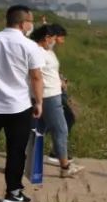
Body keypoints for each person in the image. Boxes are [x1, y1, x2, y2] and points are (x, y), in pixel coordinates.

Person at [0, 5, 45, 202]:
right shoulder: (29, 46)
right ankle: (13, 193)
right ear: (22, 23)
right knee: (16, 151)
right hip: (18, 107)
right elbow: (36, 77)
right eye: (31, 21)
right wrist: (39, 102)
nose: (32, 25)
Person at [29, 25, 82, 178]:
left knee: (39, 130)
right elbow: (36, 76)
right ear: (46, 38)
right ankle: (65, 167)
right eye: (53, 38)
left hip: (54, 93)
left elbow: (51, 71)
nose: (54, 41)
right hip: (48, 96)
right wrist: (39, 100)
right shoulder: (37, 52)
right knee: (61, 129)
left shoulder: (47, 51)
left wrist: (60, 80)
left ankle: (28, 161)